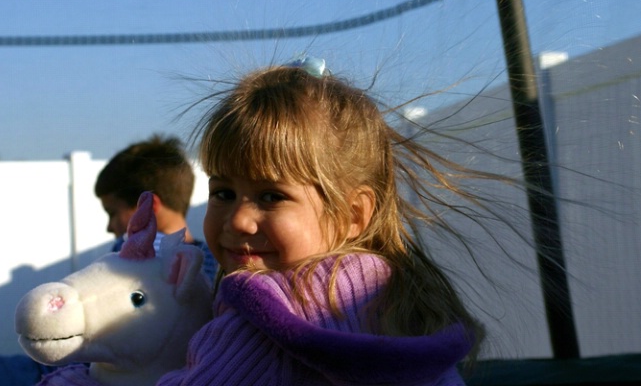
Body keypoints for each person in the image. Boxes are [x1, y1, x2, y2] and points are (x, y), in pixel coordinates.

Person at [157, 58, 488, 385]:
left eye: (271, 196)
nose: (239, 220)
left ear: (352, 214)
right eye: (223, 193)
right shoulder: (398, 302)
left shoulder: (258, 326)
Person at [94, 134, 219, 281]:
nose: (109, 227)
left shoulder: (129, 250)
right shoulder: (215, 258)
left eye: (112, 213)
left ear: (149, 206)